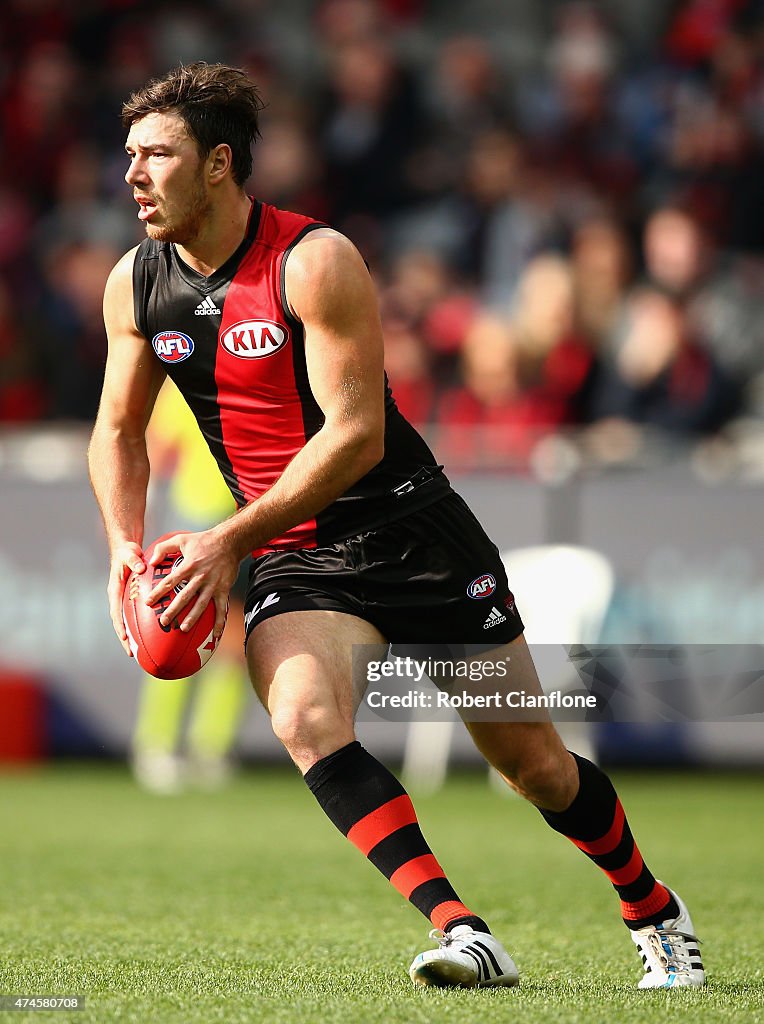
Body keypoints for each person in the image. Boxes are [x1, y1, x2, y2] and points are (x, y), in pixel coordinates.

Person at [88, 62, 704, 991]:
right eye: (128, 155)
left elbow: (357, 434)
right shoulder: (134, 284)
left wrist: (224, 540)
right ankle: (465, 930)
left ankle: (651, 907)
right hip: (297, 553)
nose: (133, 175)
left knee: (535, 766)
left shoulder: (312, 259)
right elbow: (118, 430)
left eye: (157, 155)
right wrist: (124, 549)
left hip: (412, 530)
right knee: (300, 715)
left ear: (219, 164)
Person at [131, 379, 250, 794]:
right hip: (197, 522)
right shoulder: (184, 382)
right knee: (173, 636)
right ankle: (156, 745)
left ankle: (210, 748)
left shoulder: (253, 372)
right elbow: (157, 451)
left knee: (235, 641)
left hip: (248, 521)